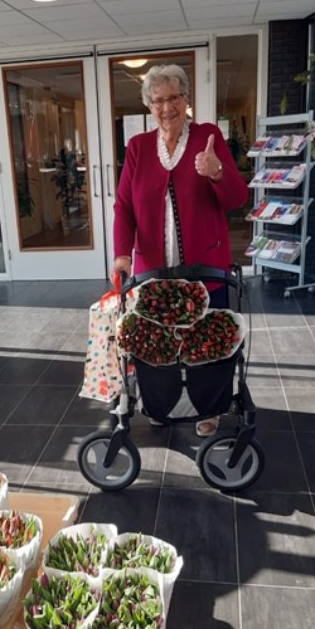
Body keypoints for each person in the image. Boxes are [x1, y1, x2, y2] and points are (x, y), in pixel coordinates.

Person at [112, 63, 248, 436]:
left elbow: (237, 197)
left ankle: (209, 408)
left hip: (206, 266)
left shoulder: (208, 136)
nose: (166, 107)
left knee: (206, 342)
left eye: (174, 98)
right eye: (157, 101)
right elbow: (124, 206)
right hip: (154, 269)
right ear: (149, 106)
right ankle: (163, 404)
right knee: (157, 342)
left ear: (187, 99)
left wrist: (217, 170)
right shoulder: (139, 147)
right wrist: (122, 254)